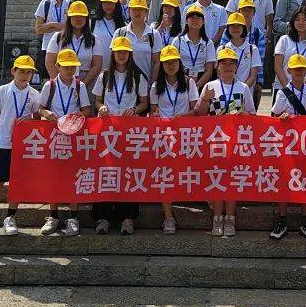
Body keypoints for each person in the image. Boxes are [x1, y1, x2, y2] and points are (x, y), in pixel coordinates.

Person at [196, 45, 256, 237]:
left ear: (237, 66)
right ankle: (217, 219)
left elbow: (253, 115)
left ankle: (230, 219)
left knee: (232, 180)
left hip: (236, 142)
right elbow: (200, 114)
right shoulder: (209, 86)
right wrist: (206, 100)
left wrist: (245, 115)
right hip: (215, 142)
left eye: (231, 63)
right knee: (217, 179)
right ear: (217, 67)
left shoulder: (243, 88)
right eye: (224, 63)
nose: (228, 67)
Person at [91, 36, 148, 235]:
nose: (121, 55)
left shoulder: (138, 76)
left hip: (128, 132)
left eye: (125, 52)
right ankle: (103, 217)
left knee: (128, 173)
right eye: (118, 52)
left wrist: (135, 110)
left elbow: (144, 102)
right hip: (107, 132)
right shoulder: (105, 76)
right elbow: (97, 100)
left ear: (130, 54)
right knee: (105, 172)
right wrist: (101, 107)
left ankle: (127, 218)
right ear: (113, 54)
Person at [35, 48, 94, 236]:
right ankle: (53, 215)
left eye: (73, 66)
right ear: (58, 66)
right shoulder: (50, 85)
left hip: (74, 134)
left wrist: (76, 117)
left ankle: (73, 216)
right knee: (54, 175)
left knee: (74, 175)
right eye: (66, 66)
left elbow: (87, 110)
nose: (70, 70)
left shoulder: (80, 85)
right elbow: (40, 108)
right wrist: (47, 114)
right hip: (55, 136)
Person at [269, 54, 306, 241]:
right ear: (289, 71)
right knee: (284, 181)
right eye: (295, 69)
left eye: (302, 69)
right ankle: (282, 220)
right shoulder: (282, 93)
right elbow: (273, 118)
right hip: (287, 145)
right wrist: (281, 118)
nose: (298, 72)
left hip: (305, 144)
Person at [0, 54, 39, 239]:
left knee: (17, 182)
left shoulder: (34, 94)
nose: (25, 75)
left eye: (29, 72)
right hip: (3, 143)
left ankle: (10, 217)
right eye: (22, 71)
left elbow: (37, 118)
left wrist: (29, 119)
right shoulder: (2, 91)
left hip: (23, 145)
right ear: (13, 71)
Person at [149, 44, 199, 235]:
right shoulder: (156, 86)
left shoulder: (189, 82)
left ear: (179, 63)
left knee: (188, 171)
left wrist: (183, 117)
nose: (171, 66)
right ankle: (168, 216)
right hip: (163, 136)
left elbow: (195, 110)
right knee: (165, 174)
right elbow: (153, 111)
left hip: (185, 135)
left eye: (174, 62)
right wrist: (155, 116)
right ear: (162, 65)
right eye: (167, 63)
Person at [45, 0, 104, 88]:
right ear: (69, 18)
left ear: (87, 18)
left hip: (86, 82)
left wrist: (82, 85)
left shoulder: (94, 39)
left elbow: (97, 65)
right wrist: (60, 84)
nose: (78, 19)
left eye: (82, 16)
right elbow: (49, 63)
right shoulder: (58, 37)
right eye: (75, 16)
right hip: (61, 82)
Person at [273, 4, 306, 99]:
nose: (301, 23)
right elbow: (278, 67)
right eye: (297, 20)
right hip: (283, 90)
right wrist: (289, 90)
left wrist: (302, 90)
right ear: (293, 22)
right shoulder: (284, 40)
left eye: (304, 20)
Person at [113, 0, 162, 85]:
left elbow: (156, 63)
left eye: (141, 10)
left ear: (146, 12)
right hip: (122, 85)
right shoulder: (120, 33)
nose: (137, 12)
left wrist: (151, 85)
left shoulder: (154, 34)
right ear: (129, 11)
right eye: (134, 9)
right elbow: (113, 59)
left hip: (145, 83)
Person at [33, 0, 71, 83]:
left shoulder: (71, 4)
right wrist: (60, 26)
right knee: (48, 81)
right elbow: (38, 29)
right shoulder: (44, 4)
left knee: (67, 79)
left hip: (66, 46)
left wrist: (50, 25)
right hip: (48, 47)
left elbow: (71, 27)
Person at [221, 12, 262, 103]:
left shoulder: (252, 49)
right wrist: (231, 90)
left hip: (246, 95)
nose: (235, 29)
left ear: (244, 28)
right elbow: (219, 74)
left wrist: (240, 90)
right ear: (228, 29)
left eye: (238, 26)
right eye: (232, 26)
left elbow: (253, 76)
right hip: (226, 94)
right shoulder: (222, 49)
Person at [172, 4, 216, 88]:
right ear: (186, 21)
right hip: (180, 79)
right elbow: (173, 64)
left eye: (198, 17)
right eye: (192, 17)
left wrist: (197, 86)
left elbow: (209, 71)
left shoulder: (208, 43)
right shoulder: (177, 41)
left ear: (203, 22)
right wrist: (184, 82)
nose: (195, 20)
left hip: (201, 81)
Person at [93, 0, 125, 66]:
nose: (108, 6)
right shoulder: (92, 22)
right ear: (101, 4)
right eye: (105, 3)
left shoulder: (122, 25)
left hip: (114, 67)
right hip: (94, 67)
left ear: (116, 4)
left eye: (111, 3)